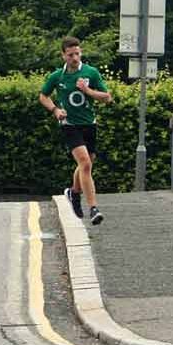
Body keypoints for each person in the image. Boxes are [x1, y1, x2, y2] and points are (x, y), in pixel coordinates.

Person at [38, 35, 111, 226]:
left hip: (89, 124)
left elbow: (107, 97)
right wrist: (55, 110)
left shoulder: (91, 73)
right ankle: (94, 208)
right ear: (63, 55)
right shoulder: (57, 76)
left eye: (77, 53)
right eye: (70, 55)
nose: (75, 58)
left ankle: (73, 192)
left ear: (81, 52)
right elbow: (43, 96)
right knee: (85, 164)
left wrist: (88, 91)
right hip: (70, 125)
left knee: (86, 164)